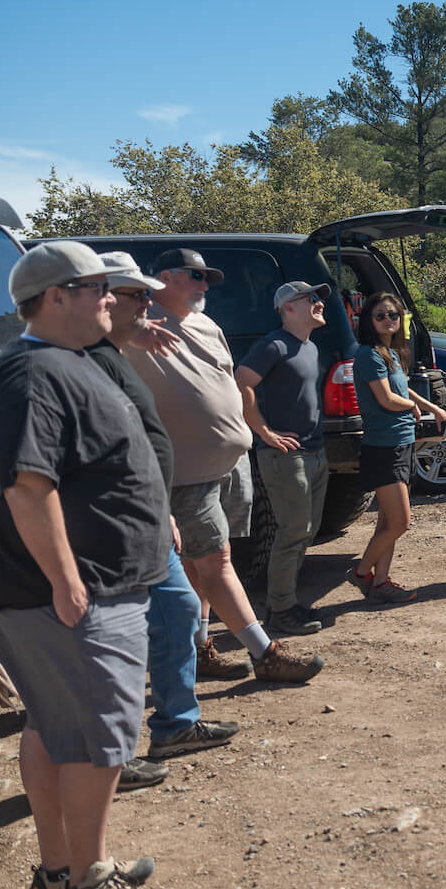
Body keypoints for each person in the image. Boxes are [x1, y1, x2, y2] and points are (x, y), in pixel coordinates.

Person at [0, 240, 173, 889]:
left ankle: (61, 869)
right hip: (74, 595)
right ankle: (88, 884)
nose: (111, 297)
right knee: (97, 735)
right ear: (57, 295)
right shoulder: (33, 375)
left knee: (57, 728)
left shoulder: (64, 362)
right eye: (98, 287)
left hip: (76, 590)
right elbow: (29, 490)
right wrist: (66, 581)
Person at [131, 248, 323, 684]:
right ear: (163, 277)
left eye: (207, 278)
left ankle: (200, 649)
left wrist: (251, 432)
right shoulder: (134, 323)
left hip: (229, 461)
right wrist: (133, 323)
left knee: (207, 564)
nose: (205, 285)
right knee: (215, 562)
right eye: (196, 276)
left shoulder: (207, 324)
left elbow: (228, 382)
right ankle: (265, 652)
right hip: (183, 470)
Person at [94, 252, 238, 781]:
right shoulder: (71, 360)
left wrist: (158, 506)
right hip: (108, 521)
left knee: (178, 609)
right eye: (135, 295)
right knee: (119, 635)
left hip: (150, 512)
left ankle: (175, 724)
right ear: (97, 296)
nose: (144, 303)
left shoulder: (116, 348)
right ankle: (107, 754)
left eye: (141, 293)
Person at [236, 280, 332, 631]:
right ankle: (280, 612)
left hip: (314, 451)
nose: (319, 303)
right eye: (311, 298)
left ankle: (287, 603)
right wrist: (263, 431)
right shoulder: (273, 345)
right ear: (288, 307)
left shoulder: (309, 347)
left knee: (307, 530)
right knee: (293, 531)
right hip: (284, 457)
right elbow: (241, 381)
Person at [348, 292, 446, 598]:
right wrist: (411, 408)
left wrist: (432, 408)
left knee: (387, 523)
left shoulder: (390, 353)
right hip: (383, 449)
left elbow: (402, 389)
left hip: (401, 443)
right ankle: (363, 573)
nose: (388, 320)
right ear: (368, 320)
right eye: (380, 315)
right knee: (401, 522)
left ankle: (381, 583)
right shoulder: (368, 355)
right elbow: (387, 399)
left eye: (393, 315)